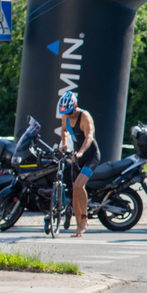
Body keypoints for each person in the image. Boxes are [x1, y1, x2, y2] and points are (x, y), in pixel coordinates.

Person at [58, 91, 100, 238]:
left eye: (70, 112)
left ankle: (84, 219)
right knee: (74, 190)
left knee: (79, 185)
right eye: (66, 113)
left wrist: (81, 152)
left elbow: (89, 137)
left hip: (90, 155)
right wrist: (64, 143)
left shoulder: (85, 116)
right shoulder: (65, 117)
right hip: (77, 156)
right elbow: (64, 131)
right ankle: (78, 225)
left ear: (75, 106)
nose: (68, 116)